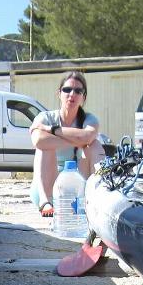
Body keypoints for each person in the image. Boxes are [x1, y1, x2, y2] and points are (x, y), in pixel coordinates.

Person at [29, 71, 104, 217]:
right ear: (59, 93)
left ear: (83, 97)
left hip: (77, 184)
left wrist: (51, 130)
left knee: (94, 145)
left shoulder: (89, 119)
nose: (72, 94)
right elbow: (38, 140)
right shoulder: (45, 117)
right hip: (48, 186)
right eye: (67, 89)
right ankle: (46, 202)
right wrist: (77, 139)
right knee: (45, 146)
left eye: (78, 91)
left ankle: (97, 196)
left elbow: (89, 136)